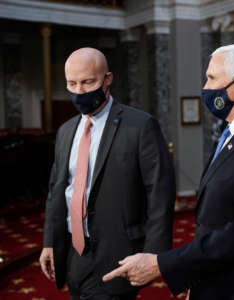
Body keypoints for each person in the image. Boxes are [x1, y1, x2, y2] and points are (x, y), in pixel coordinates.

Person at [103, 44, 234, 300]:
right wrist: (196, 277)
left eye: (211, 78)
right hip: (221, 280)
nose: (206, 88)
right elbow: (218, 216)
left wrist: (163, 265)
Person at [39, 47, 175, 300]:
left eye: (88, 82)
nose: (79, 91)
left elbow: (160, 192)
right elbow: (57, 190)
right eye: (72, 83)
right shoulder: (66, 131)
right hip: (72, 253)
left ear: (108, 79)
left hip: (118, 254)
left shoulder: (140, 125)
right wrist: (49, 241)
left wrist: (155, 255)